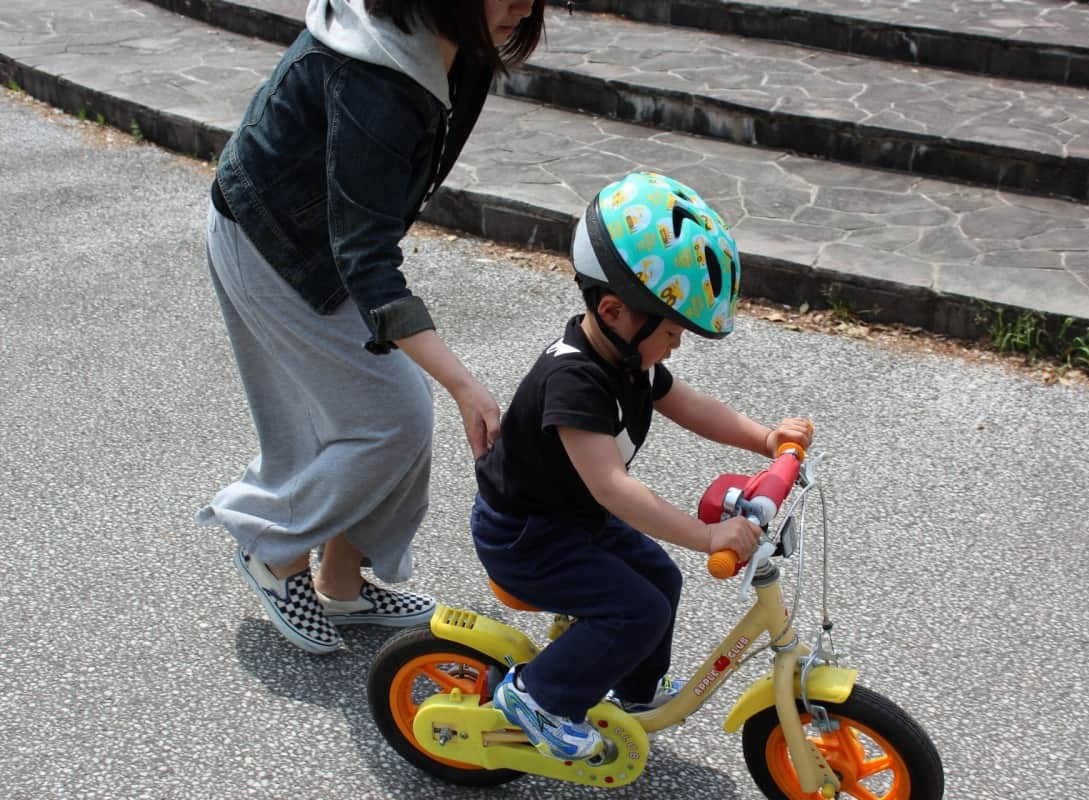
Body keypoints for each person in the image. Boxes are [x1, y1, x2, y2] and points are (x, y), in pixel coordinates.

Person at [197, 0, 544, 655]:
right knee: (389, 422)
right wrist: (465, 384)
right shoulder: (375, 79)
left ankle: (341, 578)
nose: (524, 3)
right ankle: (272, 547)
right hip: (270, 243)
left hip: (326, 243)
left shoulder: (457, 46)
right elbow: (367, 258)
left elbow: (365, 235)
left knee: (390, 416)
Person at [471, 171, 814, 759]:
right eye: (674, 329)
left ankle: (632, 695)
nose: (677, 343)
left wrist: (765, 439)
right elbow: (612, 488)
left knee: (662, 580)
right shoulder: (574, 382)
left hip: (568, 521)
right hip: (526, 538)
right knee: (638, 610)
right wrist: (705, 534)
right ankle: (537, 696)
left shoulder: (631, 359)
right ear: (614, 310)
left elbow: (688, 405)